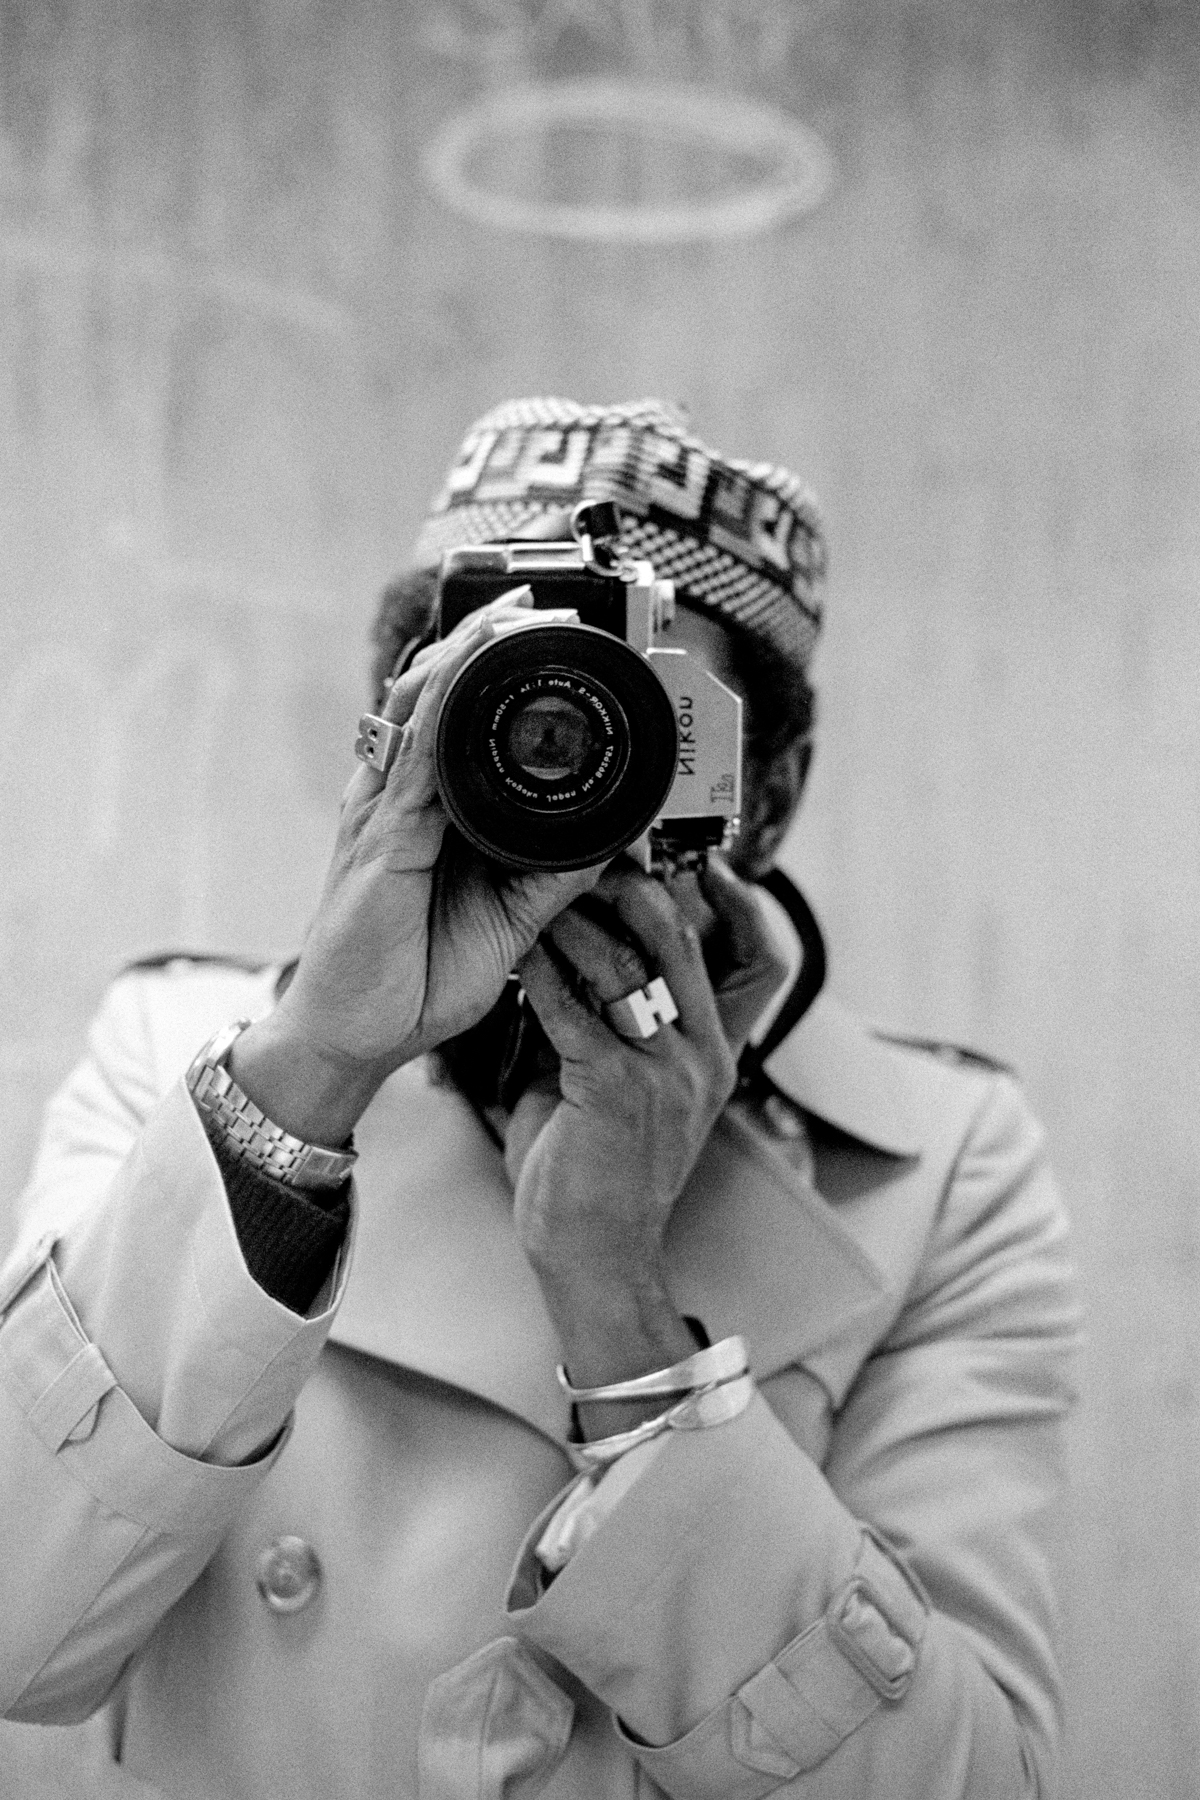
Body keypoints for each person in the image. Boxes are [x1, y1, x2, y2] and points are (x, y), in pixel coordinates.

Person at [0, 398, 1080, 1799]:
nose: (560, 761)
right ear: (391, 735)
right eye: (502, 710)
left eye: (643, 720)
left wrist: (624, 1322)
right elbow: (15, 1623)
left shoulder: (936, 1166)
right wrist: (308, 1076)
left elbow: (972, 1782)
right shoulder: (181, 1051)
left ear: (773, 788)